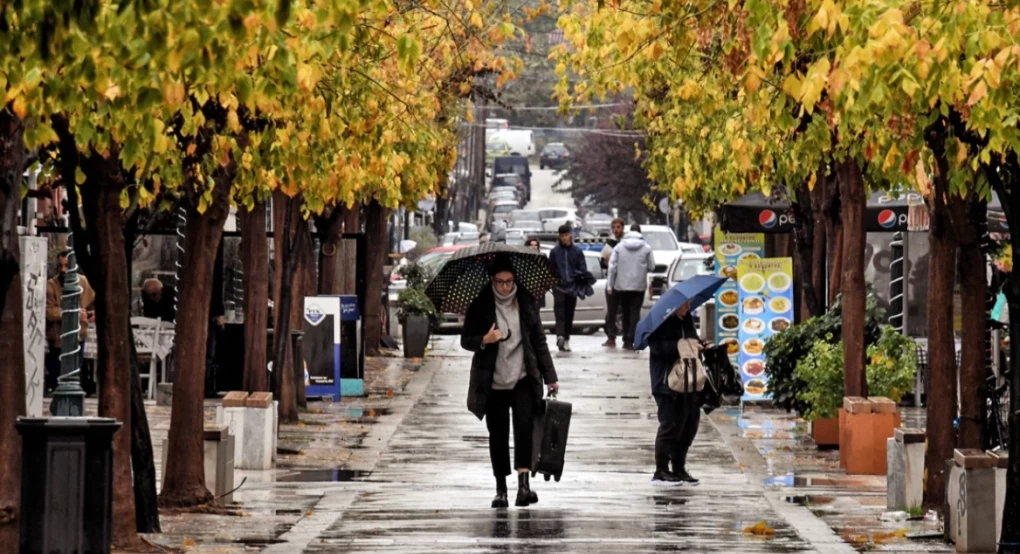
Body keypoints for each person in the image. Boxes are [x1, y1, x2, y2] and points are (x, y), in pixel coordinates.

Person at [461, 256, 559, 508]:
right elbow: (466, 340)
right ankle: (501, 489)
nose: (504, 287)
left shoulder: (525, 302)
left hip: (523, 378)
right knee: (498, 435)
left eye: (509, 282)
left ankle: (524, 487)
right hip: (492, 382)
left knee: (524, 429)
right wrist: (485, 339)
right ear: (492, 281)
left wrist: (551, 377)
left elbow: (538, 341)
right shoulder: (481, 305)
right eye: (499, 282)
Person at [647, 300, 702, 486]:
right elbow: (657, 349)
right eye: (684, 305)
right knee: (669, 425)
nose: (687, 308)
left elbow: (693, 341)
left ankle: (679, 468)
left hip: (688, 381)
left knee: (688, 425)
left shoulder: (686, 320)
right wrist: (681, 346)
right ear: (673, 306)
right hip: (666, 382)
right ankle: (661, 470)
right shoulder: (661, 322)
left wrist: (699, 346)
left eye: (689, 305)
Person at [45, 252, 95, 392]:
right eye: (60, 266)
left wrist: (91, 314)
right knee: (60, 371)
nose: (63, 270)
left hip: (79, 334)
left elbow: (91, 302)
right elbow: (49, 311)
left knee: (77, 367)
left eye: (66, 266)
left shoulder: (84, 282)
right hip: (58, 336)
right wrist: (72, 314)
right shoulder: (51, 285)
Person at [608, 224, 655, 350]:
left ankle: (625, 338)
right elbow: (652, 266)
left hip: (622, 286)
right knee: (635, 312)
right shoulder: (646, 248)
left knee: (625, 311)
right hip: (639, 286)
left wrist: (610, 284)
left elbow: (612, 267)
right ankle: (632, 338)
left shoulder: (619, 247)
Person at [548, 224, 586, 352]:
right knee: (559, 314)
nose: (564, 237)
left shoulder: (577, 252)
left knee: (569, 315)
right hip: (559, 288)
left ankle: (567, 339)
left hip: (572, 288)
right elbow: (551, 269)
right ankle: (560, 337)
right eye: (562, 235)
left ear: (570, 235)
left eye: (566, 234)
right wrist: (553, 282)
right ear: (559, 236)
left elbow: (582, 269)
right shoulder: (554, 252)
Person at [600, 218, 626, 347]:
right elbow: (603, 261)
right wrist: (608, 261)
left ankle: (627, 338)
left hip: (626, 283)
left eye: (618, 227)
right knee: (611, 311)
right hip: (612, 282)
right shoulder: (610, 243)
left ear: (623, 228)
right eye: (614, 228)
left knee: (626, 311)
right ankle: (611, 337)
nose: (616, 230)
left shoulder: (627, 243)